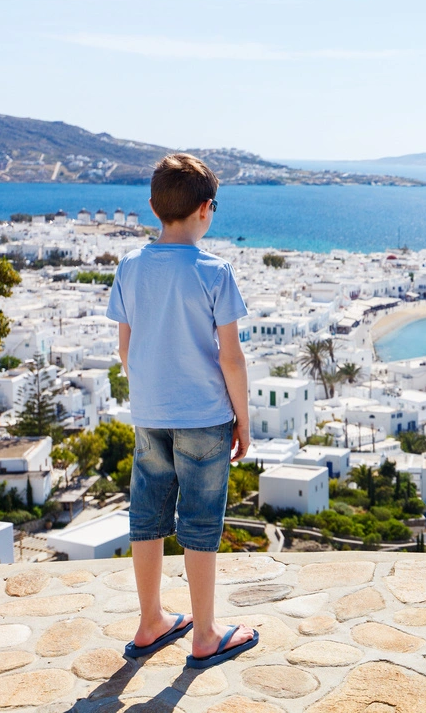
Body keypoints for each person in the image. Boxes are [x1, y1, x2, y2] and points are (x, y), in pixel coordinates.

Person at [107, 153, 259, 669]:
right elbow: (231, 359)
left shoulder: (129, 267)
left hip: (149, 414)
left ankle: (150, 621)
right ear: (205, 209)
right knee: (199, 522)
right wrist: (243, 418)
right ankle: (205, 634)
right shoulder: (215, 271)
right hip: (204, 417)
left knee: (146, 517)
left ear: (154, 207)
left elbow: (125, 351)